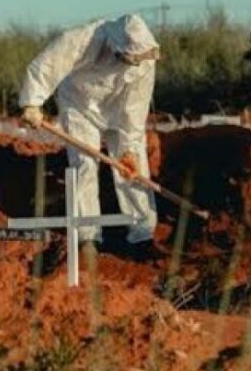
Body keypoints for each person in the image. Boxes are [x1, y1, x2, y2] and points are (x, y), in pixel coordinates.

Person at [18, 13, 160, 250]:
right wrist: (32, 102)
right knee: (84, 162)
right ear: (117, 48)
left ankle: (142, 232)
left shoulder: (146, 61)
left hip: (119, 107)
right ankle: (88, 235)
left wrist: (128, 146)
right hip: (79, 103)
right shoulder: (84, 39)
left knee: (131, 161)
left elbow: (135, 109)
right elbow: (48, 64)